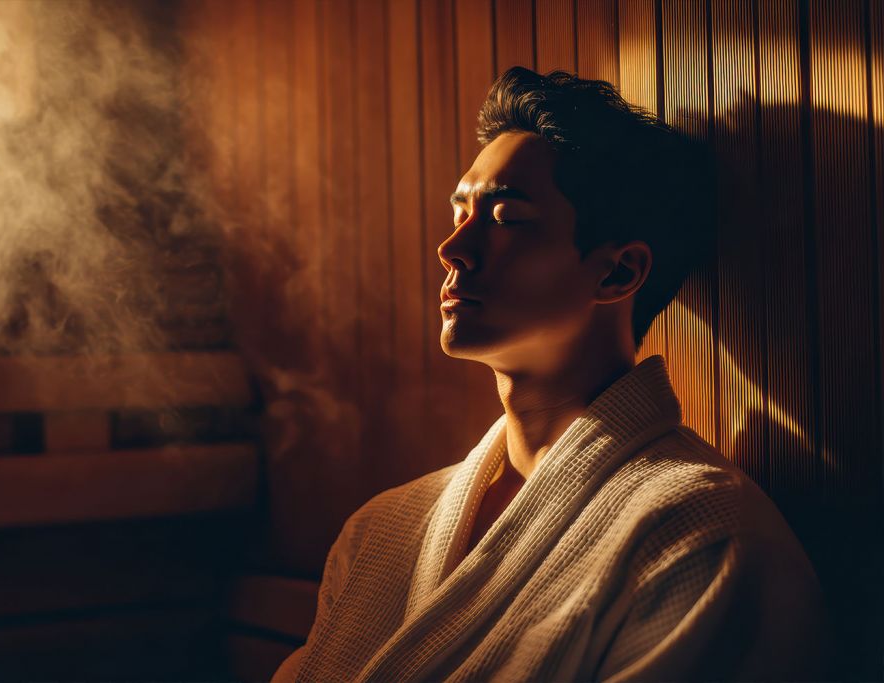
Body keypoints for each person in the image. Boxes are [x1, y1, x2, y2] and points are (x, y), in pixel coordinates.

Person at [272, 67, 828, 683]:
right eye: (461, 211)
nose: (453, 249)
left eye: (507, 218)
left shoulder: (698, 534)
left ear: (617, 274)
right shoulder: (381, 530)